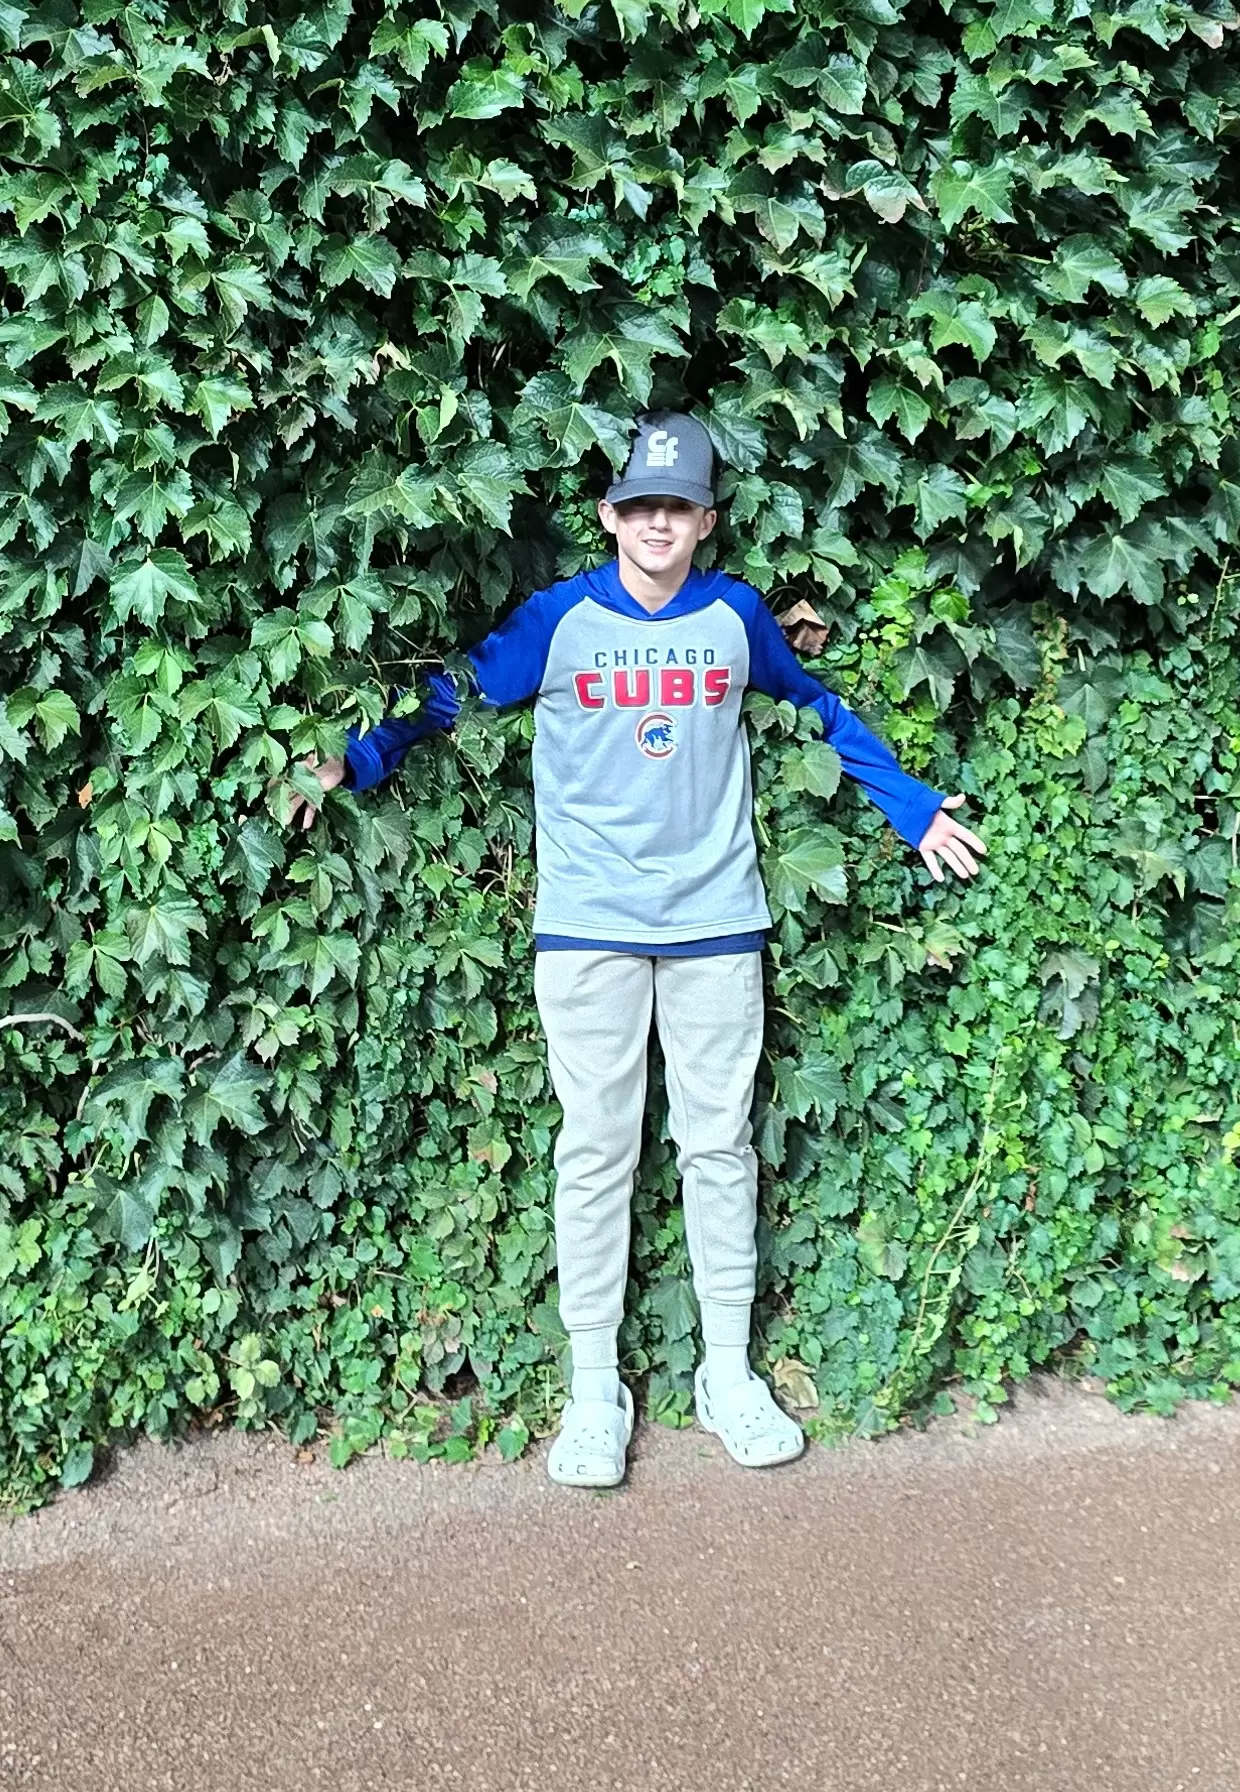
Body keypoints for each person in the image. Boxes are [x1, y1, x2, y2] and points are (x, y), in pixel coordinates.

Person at [288, 411, 986, 1488]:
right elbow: (449, 697)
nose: (659, 522)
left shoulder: (734, 616)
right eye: (641, 505)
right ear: (610, 515)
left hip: (715, 923)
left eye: (680, 506)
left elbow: (820, 708)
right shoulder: (557, 620)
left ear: (706, 521)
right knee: (595, 1151)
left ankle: (727, 1373)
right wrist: (353, 757)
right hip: (589, 929)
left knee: (718, 1148)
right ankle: (592, 1389)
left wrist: (911, 806)